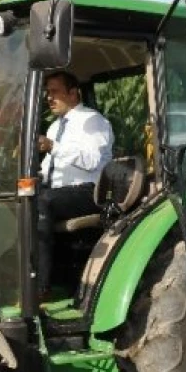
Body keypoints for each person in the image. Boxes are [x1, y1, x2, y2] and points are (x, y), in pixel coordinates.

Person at [36, 71, 114, 298]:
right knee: (22, 196)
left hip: (89, 191)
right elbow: (48, 168)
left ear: (73, 93)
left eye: (54, 92)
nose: (48, 98)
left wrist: (54, 147)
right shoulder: (55, 127)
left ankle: (40, 287)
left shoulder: (93, 121)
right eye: (47, 93)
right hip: (59, 192)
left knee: (43, 201)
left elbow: (92, 161)